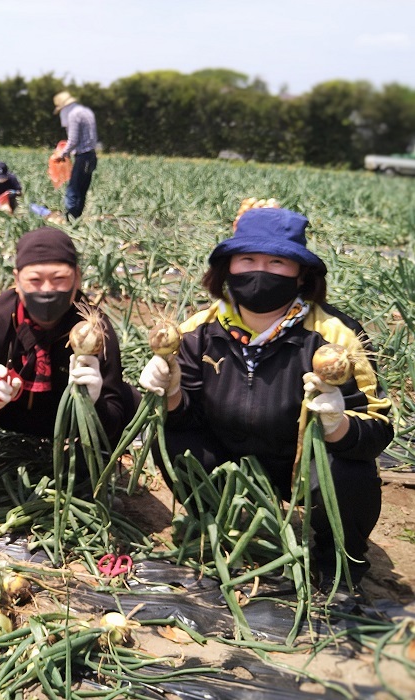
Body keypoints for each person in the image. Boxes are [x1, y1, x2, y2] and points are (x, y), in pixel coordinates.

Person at [139, 206, 393, 594]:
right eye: (248, 259)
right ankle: (219, 529)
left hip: (302, 471)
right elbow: (184, 421)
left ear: (301, 273)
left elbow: (377, 428)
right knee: (163, 433)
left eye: (278, 261)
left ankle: (335, 566)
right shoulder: (196, 333)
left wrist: (338, 424)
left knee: (350, 467)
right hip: (228, 463)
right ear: (228, 268)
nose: (261, 271)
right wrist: (170, 392)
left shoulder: (337, 338)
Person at [0, 226, 136, 461]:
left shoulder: (95, 330)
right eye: (34, 280)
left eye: (59, 279)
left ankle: (89, 465)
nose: (46, 290)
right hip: (6, 411)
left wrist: (93, 403)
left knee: (128, 399)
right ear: (17, 280)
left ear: (77, 277)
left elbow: (114, 415)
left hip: (66, 417)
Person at [52, 91, 98, 220]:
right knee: (82, 189)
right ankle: (76, 218)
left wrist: (62, 153)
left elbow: (73, 140)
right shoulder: (86, 111)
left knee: (73, 190)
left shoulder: (73, 115)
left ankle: (69, 218)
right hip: (91, 156)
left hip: (82, 157)